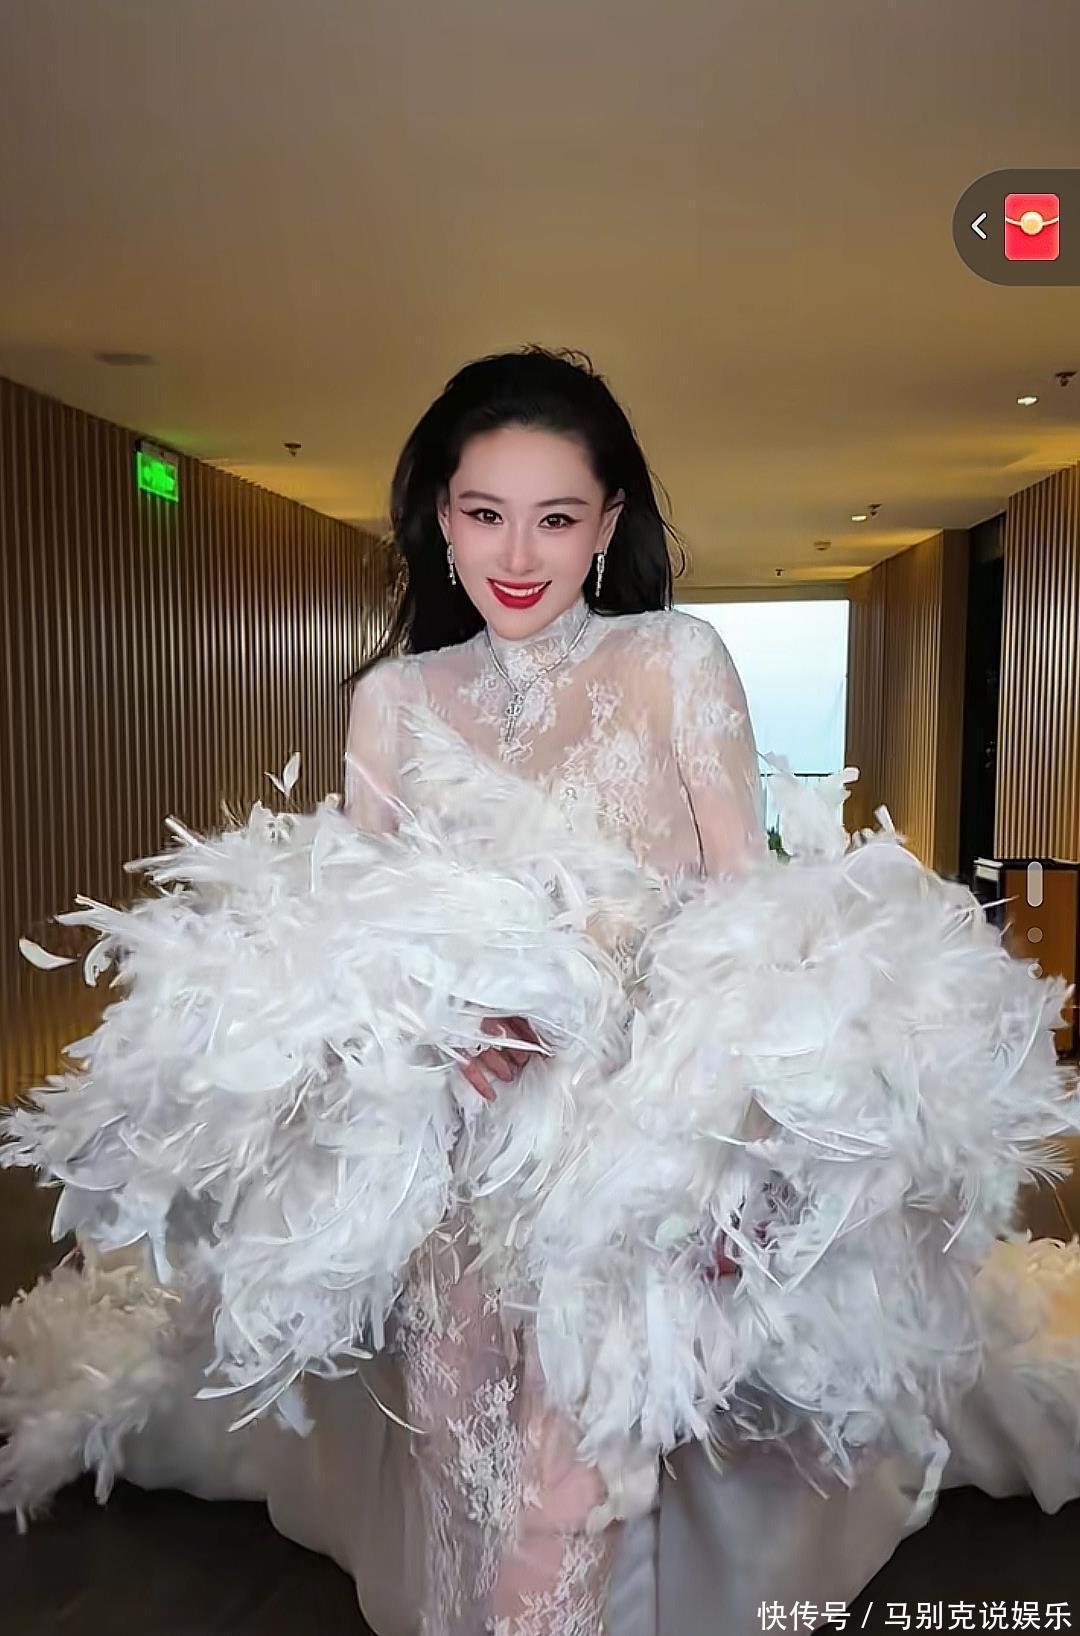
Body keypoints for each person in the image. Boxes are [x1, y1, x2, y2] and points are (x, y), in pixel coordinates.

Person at [338, 344, 768, 1634]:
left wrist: (734, 1156)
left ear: (608, 524)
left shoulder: (673, 660)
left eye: (557, 517)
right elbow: (357, 937)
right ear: (441, 518)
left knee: (563, 1497)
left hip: (630, 1148)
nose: (517, 553)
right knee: (453, 1461)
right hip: (455, 1155)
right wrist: (439, 1024)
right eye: (485, 513)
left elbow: (748, 921)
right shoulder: (392, 699)